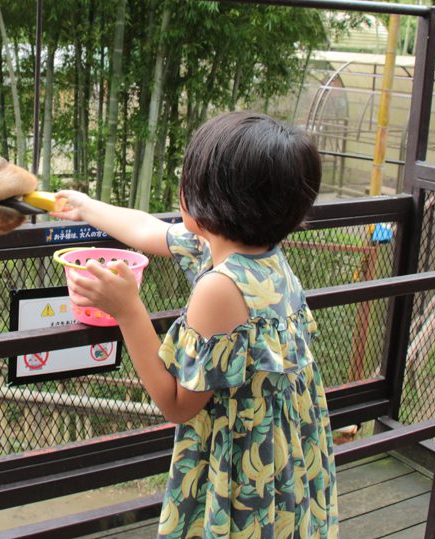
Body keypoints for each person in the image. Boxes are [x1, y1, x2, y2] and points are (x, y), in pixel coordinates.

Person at [51, 111, 338, 538]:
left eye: (190, 177)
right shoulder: (263, 255)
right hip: (284, 461)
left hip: (242, 471)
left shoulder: (220, 288)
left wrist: (128, 309)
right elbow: (148, 229)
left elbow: (178, 404)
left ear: (213, 199)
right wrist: (86, 207)